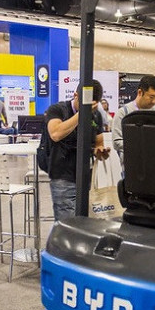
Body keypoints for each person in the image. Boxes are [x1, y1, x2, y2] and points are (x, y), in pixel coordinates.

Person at [45, 80, 109, 221]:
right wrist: (82, 114)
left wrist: (100, 151)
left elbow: (98, 142)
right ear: (75, 95)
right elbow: (55, 133)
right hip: (63, 176)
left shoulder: (96, 115)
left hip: (86, 177)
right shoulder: (58, 110)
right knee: (67, 224)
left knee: (84, 223)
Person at [112, 75, 155, 167]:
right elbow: (116, 142)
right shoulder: (123, 113)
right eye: (151, 97)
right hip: (131, 167)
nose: (154, 101)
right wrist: (140, 146)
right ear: (140, 92)